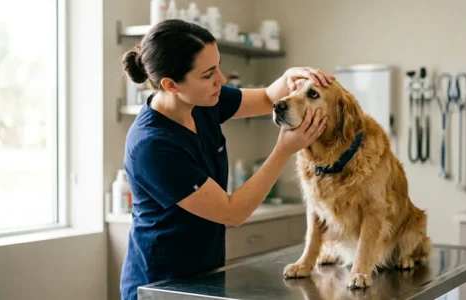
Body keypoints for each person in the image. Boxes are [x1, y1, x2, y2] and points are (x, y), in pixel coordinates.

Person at [119, 19, 334, 300]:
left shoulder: (202, 102)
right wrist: (284, 149)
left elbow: (267, 98)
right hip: (160, 284)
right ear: (171, 85)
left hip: (205, 273)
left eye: (218, 66)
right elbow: (232, 212)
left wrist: (288, 78)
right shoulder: (152, 146)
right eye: (208, 74)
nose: (220, 79)